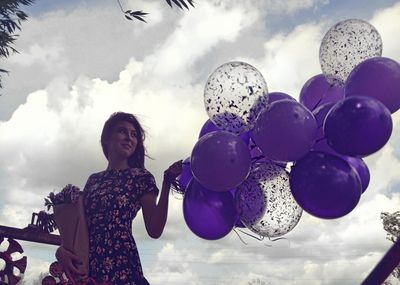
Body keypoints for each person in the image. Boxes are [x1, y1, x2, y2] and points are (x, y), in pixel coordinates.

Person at [56, 112, 182, 284]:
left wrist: (167, 183)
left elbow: (154, 230)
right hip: (88, 269)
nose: (129, 138)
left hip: (123, 268)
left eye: (134, 134)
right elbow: (81, 227)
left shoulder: (141, 178)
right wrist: (62, 249)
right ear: (107, 139)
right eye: (122, 131)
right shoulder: (93, 180)